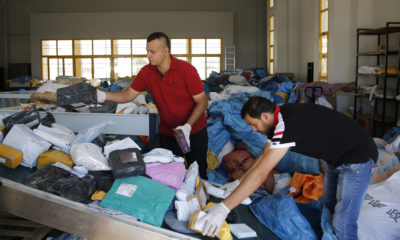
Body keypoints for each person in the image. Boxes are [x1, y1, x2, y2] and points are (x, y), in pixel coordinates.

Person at [199, 96, 377, 240]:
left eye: (254, 124)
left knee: (344, 222)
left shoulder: (285, 126)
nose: (253, 130)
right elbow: (263, 157)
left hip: (357, 159)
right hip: (336, 159)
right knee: (329, 205)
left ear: (265, 117)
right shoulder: (280, 117)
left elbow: (261, 173)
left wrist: (224, 208)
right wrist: (237, 182)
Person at [97, 32, 209, 179]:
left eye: (152, 51)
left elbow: (202, 102)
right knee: (169, 175)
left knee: (198, 173)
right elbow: (128, 95)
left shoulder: (186, 70)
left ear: (165, 51)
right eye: (147, 51)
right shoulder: (146, 72)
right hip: (169, 133)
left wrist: (187, 127)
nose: (148, 55)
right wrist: (103, 95)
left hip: (194, 131)